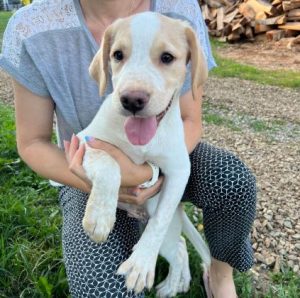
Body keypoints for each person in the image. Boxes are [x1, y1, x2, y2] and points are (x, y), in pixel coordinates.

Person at [0, 0, 257, 297]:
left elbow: (189, 122)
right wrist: (105, 183)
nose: (135, 92)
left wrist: (147, 177)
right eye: (119, 56)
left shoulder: (179, 9)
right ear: (106, 60)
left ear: (191, 65)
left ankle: (219, 275)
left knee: (234, 181)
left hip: (167, 152)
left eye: (166, 58)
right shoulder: (31, 26)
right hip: (85, 171)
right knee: (101, 290)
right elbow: (34, 142)